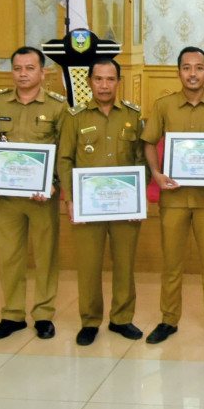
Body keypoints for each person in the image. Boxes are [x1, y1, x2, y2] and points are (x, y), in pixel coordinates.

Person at [142, 47, 204, 345]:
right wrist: (156, 174)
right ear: (178, 72)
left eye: (198, 68)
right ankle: (168, 319)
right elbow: (148, 142)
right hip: (174, 199)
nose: (192, 73)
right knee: (172, 264)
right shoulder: (163, 106)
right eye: (186, 67)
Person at [57, 58, 146, 346]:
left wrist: (138, 199)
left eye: (110, 79)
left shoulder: (133, 114)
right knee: (89, 265)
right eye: (98, 79)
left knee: (124, 264)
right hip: (88, 206)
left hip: (124, 206)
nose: (104, 85)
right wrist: (70, 199)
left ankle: (122, 318)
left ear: (118, 81)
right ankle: (90, 320)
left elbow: (141, 160)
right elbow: (65, 159)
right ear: (89, 82)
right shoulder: (75, 117)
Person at [0, 46, 69, 340]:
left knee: (45, 256)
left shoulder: (58, 107)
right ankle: (12, 314)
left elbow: (64, 151)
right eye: (18, 68)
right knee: (8, 256)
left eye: (30, 68)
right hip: (6, 198)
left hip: (42, 197)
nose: (23, 74)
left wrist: (53, 183)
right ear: (12, 71)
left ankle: (44, 314)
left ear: (43, 72)